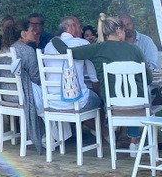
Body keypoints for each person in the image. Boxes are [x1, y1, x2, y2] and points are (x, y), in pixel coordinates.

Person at [50, 14, 151, 156]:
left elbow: (67, 52)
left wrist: (55, 39)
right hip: (138, 107)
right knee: (135, 95)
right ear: (118, 30)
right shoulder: (135, 50)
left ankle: (108, 132)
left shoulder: (97, 48)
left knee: (111, 95)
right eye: (123, 29)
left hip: (112, 105)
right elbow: (148, 79)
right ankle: (134, 142)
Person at [0, 20, 44, 153]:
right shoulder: (27, 50)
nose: (35, 32)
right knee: (49, 100)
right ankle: (49, 137)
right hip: (22, 96)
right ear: (23, 34)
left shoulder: (5, 49)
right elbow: (36, 77)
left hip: (5, 95)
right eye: (32, 30)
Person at [54, 16, 99, 92]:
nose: (81, 31)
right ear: (71, 27)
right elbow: (94, 78)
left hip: (51, 96)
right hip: (76, 95)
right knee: (97, 98)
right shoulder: (83, 43)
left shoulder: (49, 46)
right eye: (79, 27)